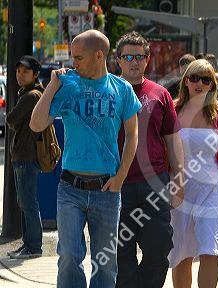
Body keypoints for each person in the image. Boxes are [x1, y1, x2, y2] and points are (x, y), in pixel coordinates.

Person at [30, 30, 142, 288]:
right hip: (70, 188)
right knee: (69, 256)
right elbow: (37, 125)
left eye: (78, 57)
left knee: (105, 262)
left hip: (107, 189)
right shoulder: (68, 85)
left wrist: (121, 175)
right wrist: (51, 86)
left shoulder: (121, 88)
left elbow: (132, 134)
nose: (73, 63)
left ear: (99, 55)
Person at [114, 31, 184, 288]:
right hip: (115, 186)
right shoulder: (109, 91)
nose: (134, 61)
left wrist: (179, 180)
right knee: (121, 253)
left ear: (147, 59)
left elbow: (172, 140)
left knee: (159, 249)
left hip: (155, 186)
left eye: (139, 56)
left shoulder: (160, 94)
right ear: (118, 60)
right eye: (128, 56)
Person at [169, 59, 218, 288]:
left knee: (210, 249)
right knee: (182, 251)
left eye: (206, 79)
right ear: (186, 81)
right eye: (195, 78)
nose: (200, 83)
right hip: (180, 188)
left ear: (212, 85)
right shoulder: (173, 108)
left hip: (212, 190)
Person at [5, 55, 44, 259]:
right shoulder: (31, 94)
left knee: (28, 202)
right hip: (25, 154)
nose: (20, 75)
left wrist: (15, 120)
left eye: (25, 72)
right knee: (25, 201)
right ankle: (28, 244)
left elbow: (11, 119)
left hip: (27, 154)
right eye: (19, 71)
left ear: (35, 74)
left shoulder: (31, 96)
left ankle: (33, 247)